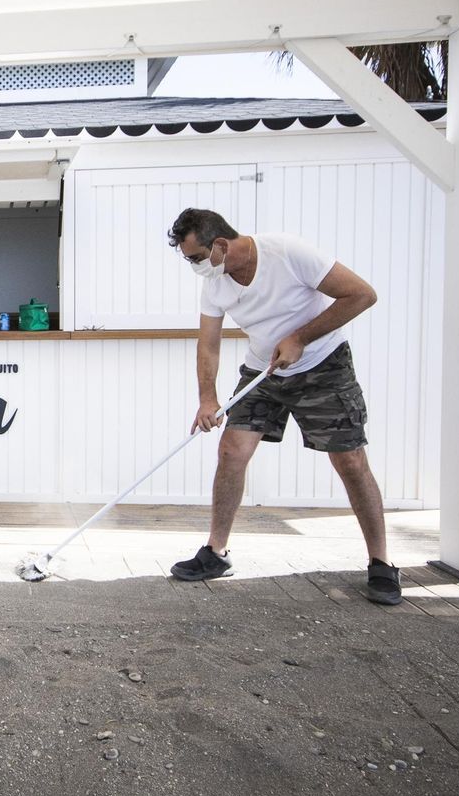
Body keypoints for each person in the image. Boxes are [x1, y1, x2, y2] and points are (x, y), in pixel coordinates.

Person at [166, 208, 401, 606]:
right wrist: (208, 397)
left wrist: (301, 337)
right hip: (264, 371)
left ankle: (381, 563)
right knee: (231, 451)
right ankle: (216, 553)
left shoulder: (287, 252)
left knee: (350, 462)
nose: (193, 266)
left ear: (220, 245)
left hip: (323, 365)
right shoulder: (216, 284)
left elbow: (362, 294)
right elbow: (208, 344)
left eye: (194, 257)